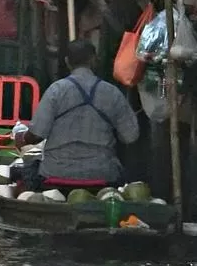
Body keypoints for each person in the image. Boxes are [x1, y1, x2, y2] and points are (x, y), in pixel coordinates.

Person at [12, 39, 139, 189]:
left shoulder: (56, 90)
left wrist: (21, 138)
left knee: (22, 171)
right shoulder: (112, 93)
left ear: (67, 61)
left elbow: (36, 135)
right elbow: (131, 136)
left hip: (56, 174)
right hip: (103, 175)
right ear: (94, 60)